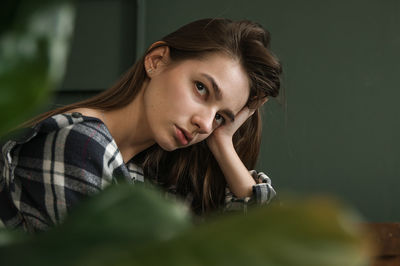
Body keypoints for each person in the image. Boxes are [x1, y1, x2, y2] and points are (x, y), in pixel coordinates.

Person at [0, 18, 282, 232]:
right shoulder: (77, 145)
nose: (205, 123)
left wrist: (223, 144)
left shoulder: (143, 175)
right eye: (201, 88)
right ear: (156, 61)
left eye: (220, 117)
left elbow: (258, 240)